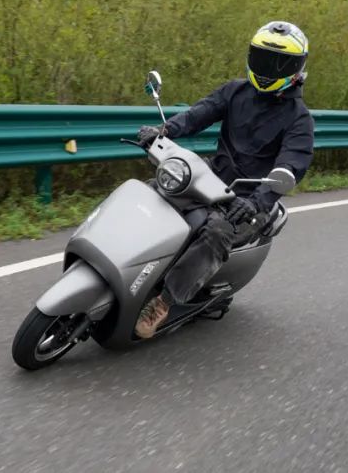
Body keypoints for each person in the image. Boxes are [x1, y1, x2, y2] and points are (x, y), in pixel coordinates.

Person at [133, 21, 315, 338]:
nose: (268, 69)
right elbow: (199, 113)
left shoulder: (299, 119)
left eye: (279, 63)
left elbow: (292, 164)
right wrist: (164, 132)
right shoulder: (235, 91)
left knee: (216, 231)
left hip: (250, 199)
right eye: (262, 58)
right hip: (212, 178)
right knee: (151, 192)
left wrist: (258, 201)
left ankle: (165, 301)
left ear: (295, 69)